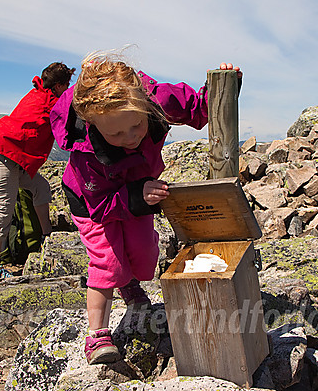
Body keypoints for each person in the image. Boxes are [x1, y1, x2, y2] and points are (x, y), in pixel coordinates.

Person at [50, 51, 241, 364]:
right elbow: (99, 208)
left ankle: (131, 286)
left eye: (136, 126)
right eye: (116, 134)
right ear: (92, 124)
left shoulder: (155, 99)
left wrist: (225, 87)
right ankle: (97, 335)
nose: (130, 138)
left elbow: (197, 109)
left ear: (144, 106)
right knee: (108, 262)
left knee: (143, 258)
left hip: (138, 191)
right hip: (92, 203)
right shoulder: (86, 153)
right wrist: (135, 196)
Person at [0, 62, 75, 279]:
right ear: (58, 85)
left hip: (11, 157)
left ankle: (46, 235)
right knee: (3, 210)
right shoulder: (48, 103)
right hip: (3, 158)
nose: (69, 88)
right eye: (67, 84)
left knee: (40, 186)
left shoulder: (39, 94)